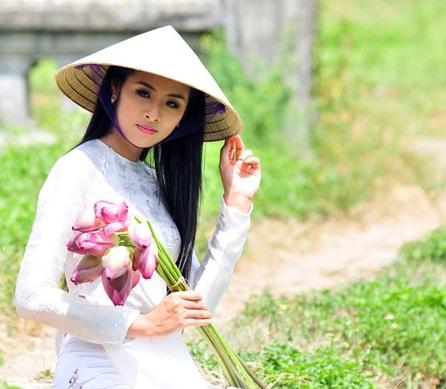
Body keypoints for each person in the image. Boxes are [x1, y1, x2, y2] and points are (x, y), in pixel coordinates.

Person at [14, 26, 261, 388]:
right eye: (143, 93)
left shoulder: (158, 185)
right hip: (98, 363)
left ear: (182, 118)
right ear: (114, 89)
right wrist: (138, 324)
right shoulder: (78, 169)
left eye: (172, 103)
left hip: (165, 363)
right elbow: (31, 296)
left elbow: (195, 305)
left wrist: (236, 204)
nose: (154, 114)